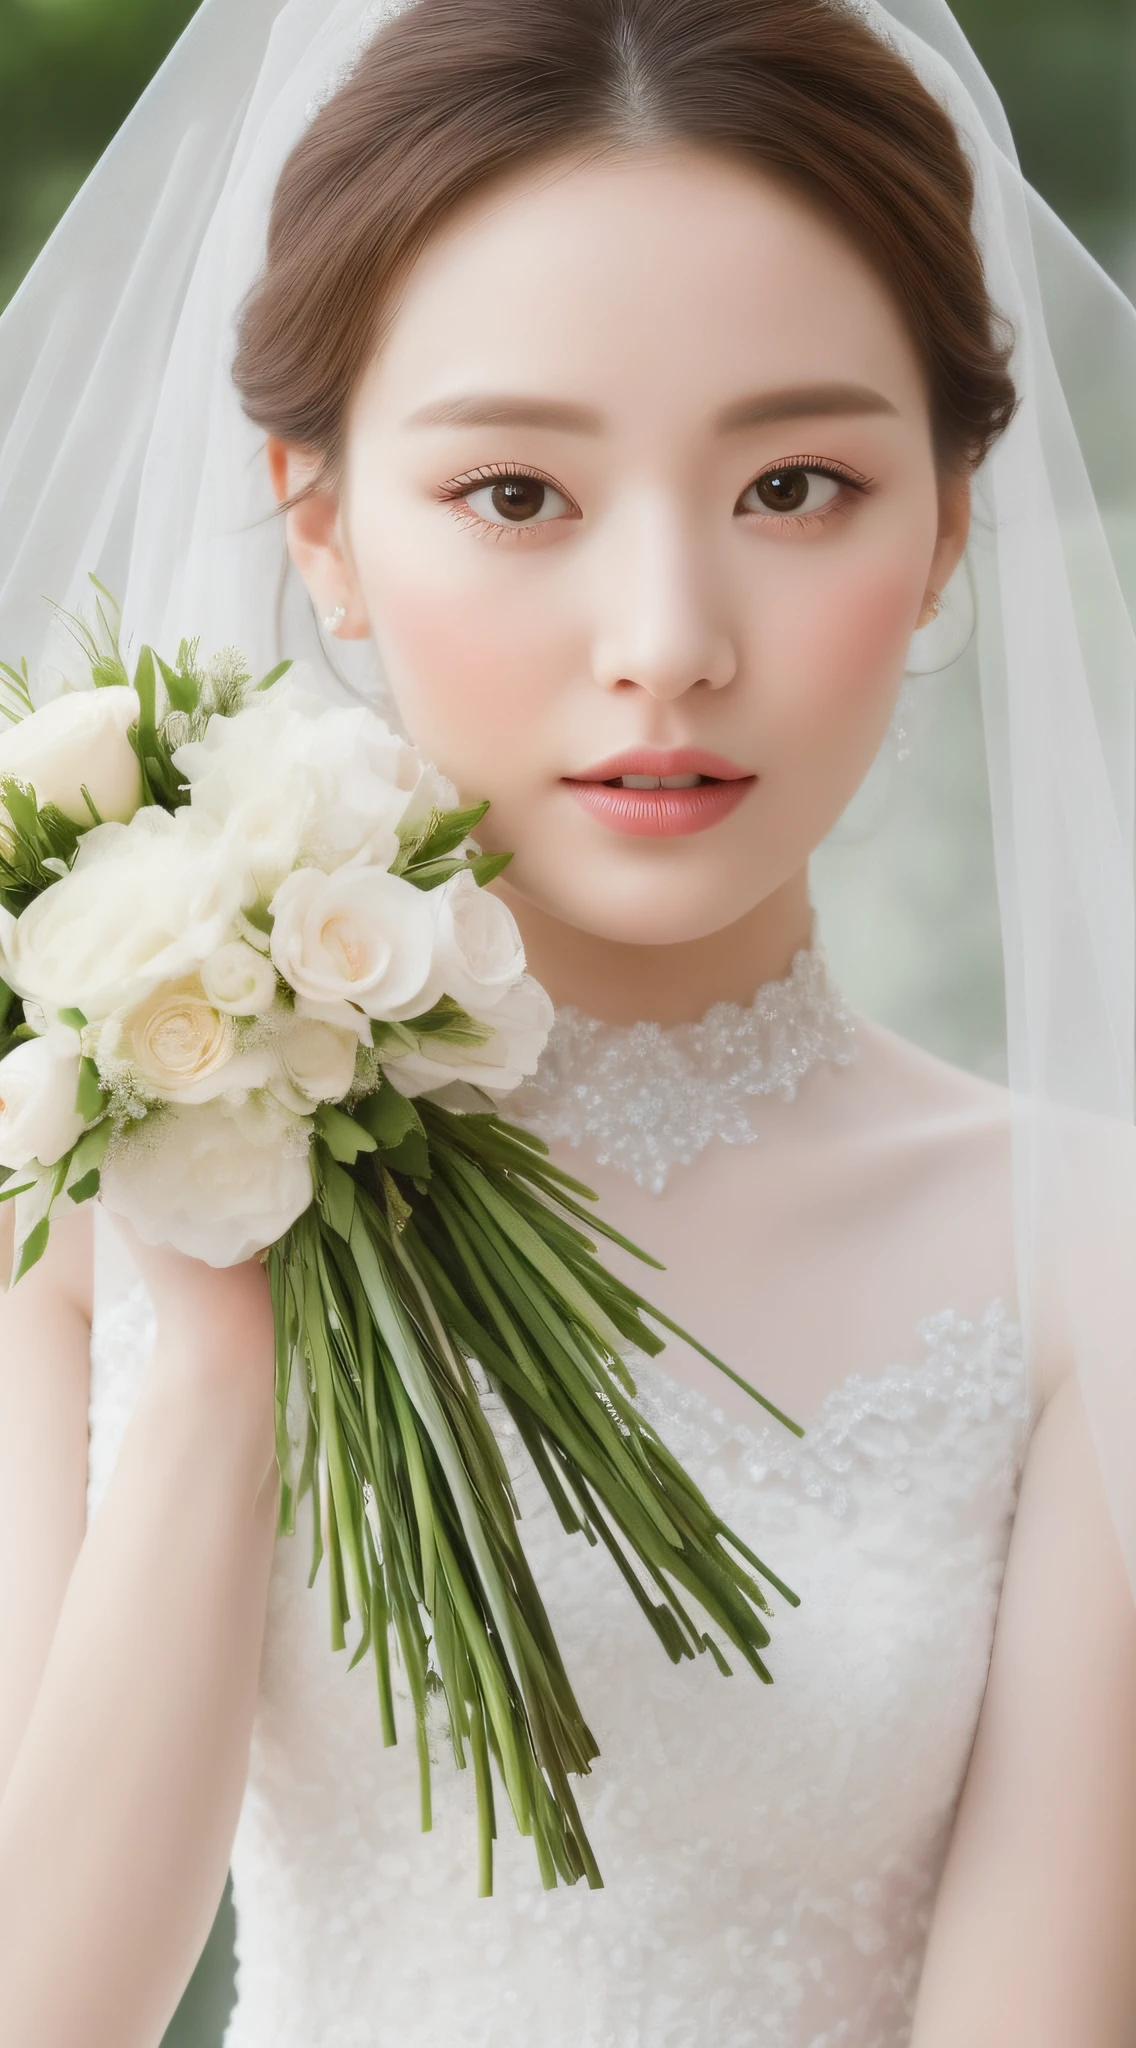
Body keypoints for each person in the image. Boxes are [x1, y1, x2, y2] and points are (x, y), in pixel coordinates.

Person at [1, 0, 1135, 2043]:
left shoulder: (1086, 1256)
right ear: (321, 520)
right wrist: (221, 1321)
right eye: (518, 495)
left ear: (949, 518)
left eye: (794, 485)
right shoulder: (88, 1183)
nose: (668, 645)